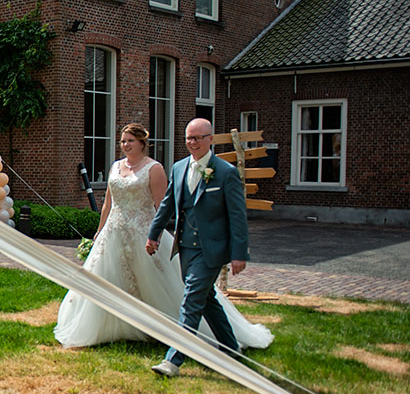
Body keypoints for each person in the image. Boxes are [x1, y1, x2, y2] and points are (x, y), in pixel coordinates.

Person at [54, 122, 271, 352]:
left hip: (143, 231)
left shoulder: (154, 168)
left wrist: (158, 234)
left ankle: (177, 350)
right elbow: (109, 201)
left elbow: (163, 206)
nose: (125, 145)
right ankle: (110, 325)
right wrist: (100, 229)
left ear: (142, 143)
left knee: (169, 287)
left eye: (130, 141)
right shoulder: (116, 167)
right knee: (106, 276)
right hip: (114, 232)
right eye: (123, 141)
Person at [146, 118, 259, 377]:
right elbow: (167, 205)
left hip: (212, 250)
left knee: (191, 300)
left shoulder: (226, 172)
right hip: (185, 247)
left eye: (198, 138)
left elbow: (237, 217)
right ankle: (232, 350)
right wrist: (153, 235)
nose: (192, 143)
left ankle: (173, 360)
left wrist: (239, 254)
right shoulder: (178, 168)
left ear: (210, 139)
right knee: (207, 299)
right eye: (188, 138)